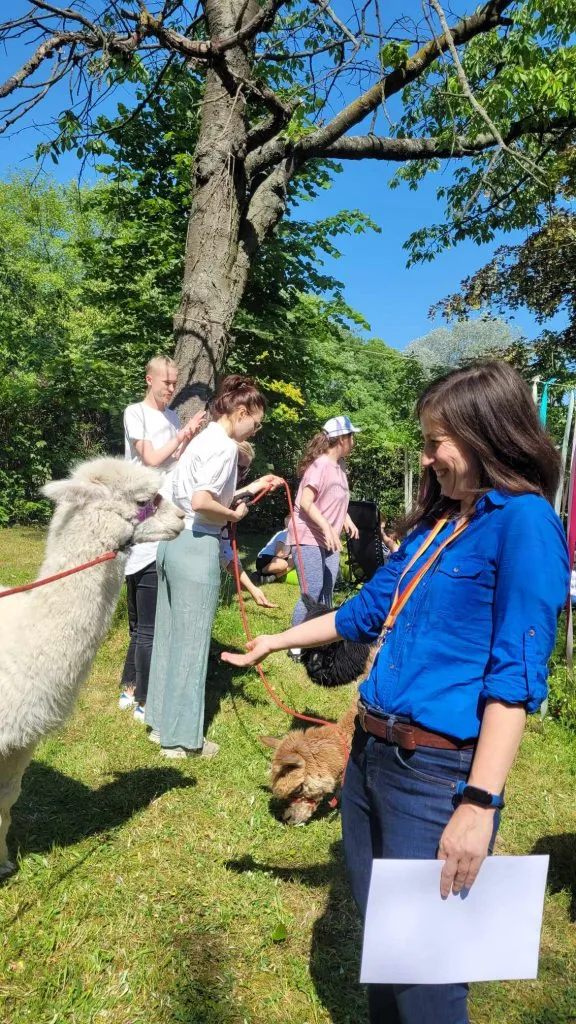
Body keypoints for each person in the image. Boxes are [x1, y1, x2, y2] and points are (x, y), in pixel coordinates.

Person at [222, 362, 569, 1024]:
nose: (426, 455)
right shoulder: (439, 523)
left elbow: (516, 676)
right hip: (369, 761)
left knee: (428, 984)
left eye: (437, 439)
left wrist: (479, 803)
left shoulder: (523, 524)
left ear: (485, 434)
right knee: (388, 957)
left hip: (435, 776)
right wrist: (273, 643)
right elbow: (366, 611)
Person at [145, 375, 282, 759]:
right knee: (191, 643)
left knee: (170, 638)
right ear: (240, 413)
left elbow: (192, 495)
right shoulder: (224, 447)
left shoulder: (202, 438)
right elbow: (205, 501)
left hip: (171, 542)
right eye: (255, 423)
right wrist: (234, 514)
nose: (255, 430)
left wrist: (248, 491)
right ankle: (183, 739)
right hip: (197, 546)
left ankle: (160, 723)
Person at [119, 354, 205, 721]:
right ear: (149, 379)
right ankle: (139, 698)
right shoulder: (134, 413)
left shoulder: (171, 417)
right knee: (143, 624)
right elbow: (152, 459)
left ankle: (130, 688)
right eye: (166, 382)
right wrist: (183, 434)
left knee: (145, 622)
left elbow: (172, 461)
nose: (171, 388)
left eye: (175, 382)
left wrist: (188, 439)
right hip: (140, 515)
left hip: (163, 513)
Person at [288, 415, 361, 658]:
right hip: (308, 534)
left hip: (328, 538)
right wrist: (329, 528)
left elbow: (336, 500)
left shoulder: (340, 468)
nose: (354, 441)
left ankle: (319, 640)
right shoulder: (319, 466)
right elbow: (306, 503)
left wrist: (346, 520)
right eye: (352, 436)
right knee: (312, 590)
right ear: (341, 439)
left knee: (328, 588)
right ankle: (295, 644)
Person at [255, 517, 294, 582]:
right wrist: (289, 555)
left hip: (274, 559)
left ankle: (271, 578)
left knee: (294, 559)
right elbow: (278, 554)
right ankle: (258, 573)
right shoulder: (284, 534)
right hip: (263, 558)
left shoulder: (290, 535)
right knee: (283, 564)